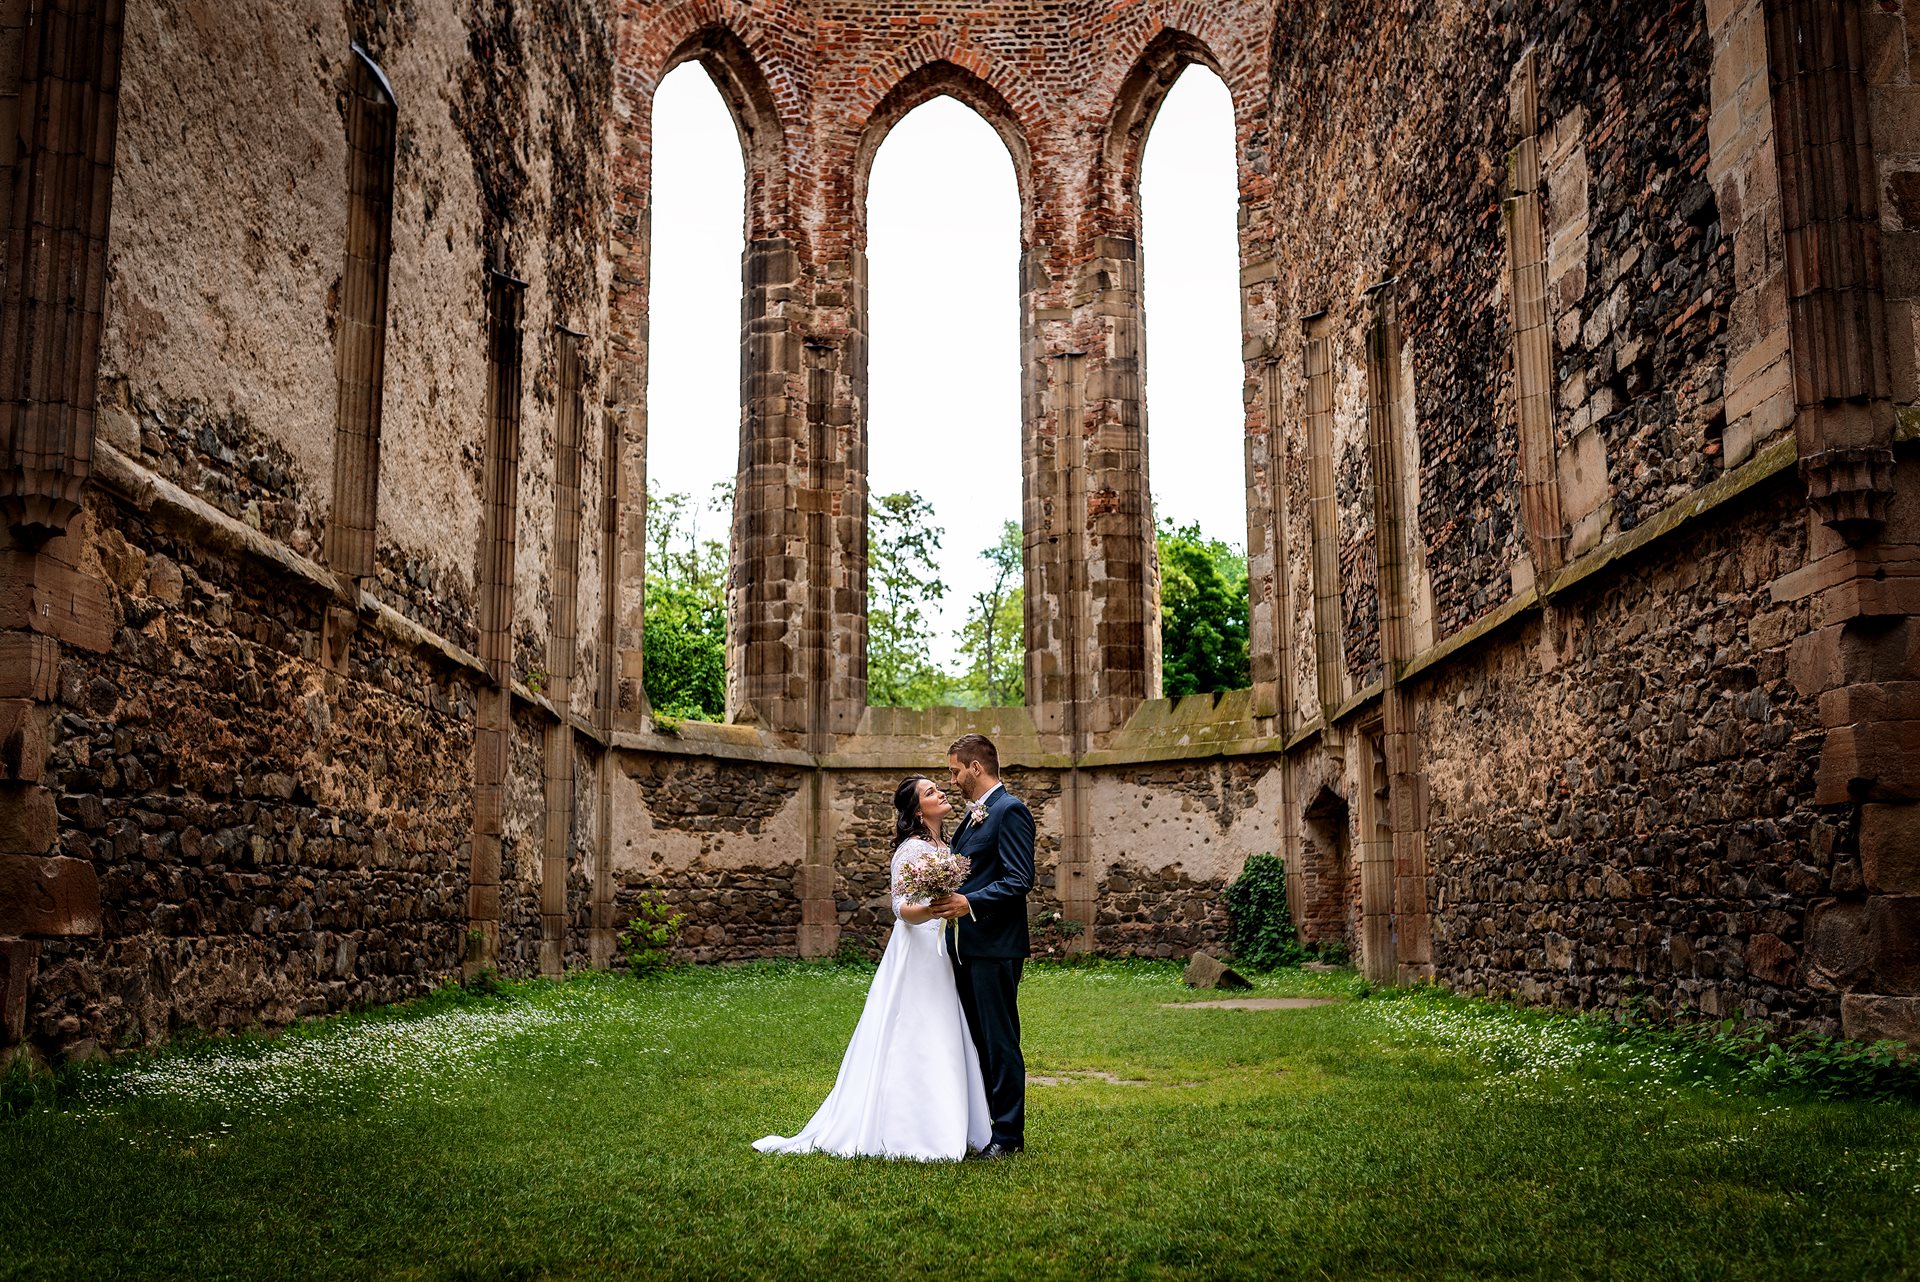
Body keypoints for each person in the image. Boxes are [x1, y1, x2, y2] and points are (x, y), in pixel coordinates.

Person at [752, 775, 991, 1161]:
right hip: (917, 951)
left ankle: (952, 1120)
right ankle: (910, 1128)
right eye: (931, 792)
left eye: (938, 788)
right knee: (917, 1027)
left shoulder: (947, 845)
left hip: (943, 949)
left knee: (945, 1026)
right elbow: (901, 908)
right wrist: (934, 910)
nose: (941, 792)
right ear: (917, 810)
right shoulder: (910, 850)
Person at [927, 732, 1035, 1159]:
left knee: (999, 1040)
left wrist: (968, 902)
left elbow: (1018, 879)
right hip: (967, 947)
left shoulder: (1010, 811)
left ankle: (1008, 1136)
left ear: (976, 767)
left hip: (996, 947)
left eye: (955, 771)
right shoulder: (974, 817)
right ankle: (985, 1126)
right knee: (978, 1041)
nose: (952, 780)